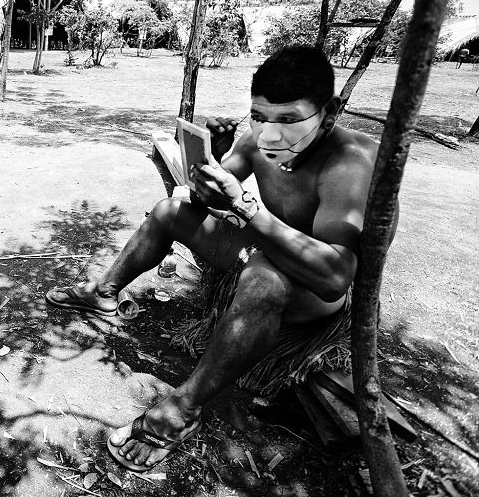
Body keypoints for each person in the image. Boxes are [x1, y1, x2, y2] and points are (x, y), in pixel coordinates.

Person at [45, 46, 389, 472]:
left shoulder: (351, 164)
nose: (271, 134)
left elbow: (335, 278)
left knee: (264, 277)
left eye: (288, 120)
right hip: (261, 249)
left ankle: (183, 409)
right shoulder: (257, 139)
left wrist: (246, 209)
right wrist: (212, 159)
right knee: (169, 212)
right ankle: (104, 292)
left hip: (311, 289)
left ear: (330, 112)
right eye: (261, 117)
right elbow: (206, 197)